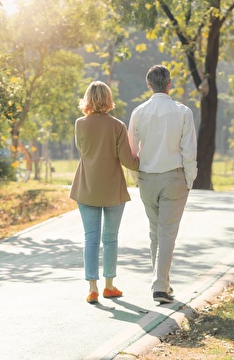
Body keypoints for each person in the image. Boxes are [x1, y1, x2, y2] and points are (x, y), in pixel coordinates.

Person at [128, 65, 197, 304]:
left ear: (148, 85)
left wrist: (137, 178)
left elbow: (132, 151)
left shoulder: (138, 112)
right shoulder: (183, 112)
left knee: (155, 232)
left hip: (147, 177)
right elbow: (189, 150)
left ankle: (162, 283)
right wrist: (189, 178)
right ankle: (159, 286)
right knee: (167, 232)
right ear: (169, 84)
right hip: (173, 177)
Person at [69, 81, 140, 304]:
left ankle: (92, 288)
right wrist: (146, 159)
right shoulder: (118, 126)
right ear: (108, 99)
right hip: (112, 189)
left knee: (91, 239)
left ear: (88, 99)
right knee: (110, 239)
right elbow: (128, 161)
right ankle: (109, 286)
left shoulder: (80, 124)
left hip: (86, 185)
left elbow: (83, 151)